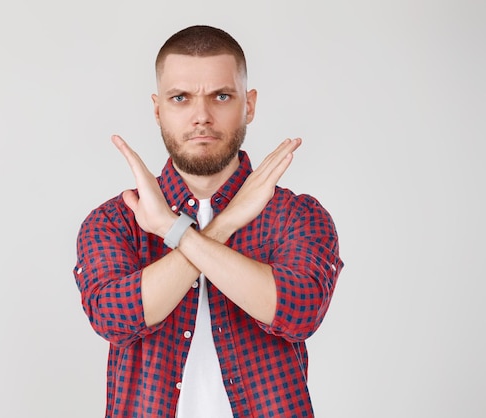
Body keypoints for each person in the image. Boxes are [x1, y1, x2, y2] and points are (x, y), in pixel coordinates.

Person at [73, 24, 343, 417]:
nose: (201, 116)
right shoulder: (115, 221)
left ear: (248, 104)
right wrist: (224, 223)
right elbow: (117, 317)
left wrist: (173, 230)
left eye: (221, 96)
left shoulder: (295, 215)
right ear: (157, 108)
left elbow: (297, 311)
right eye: (180, 98)